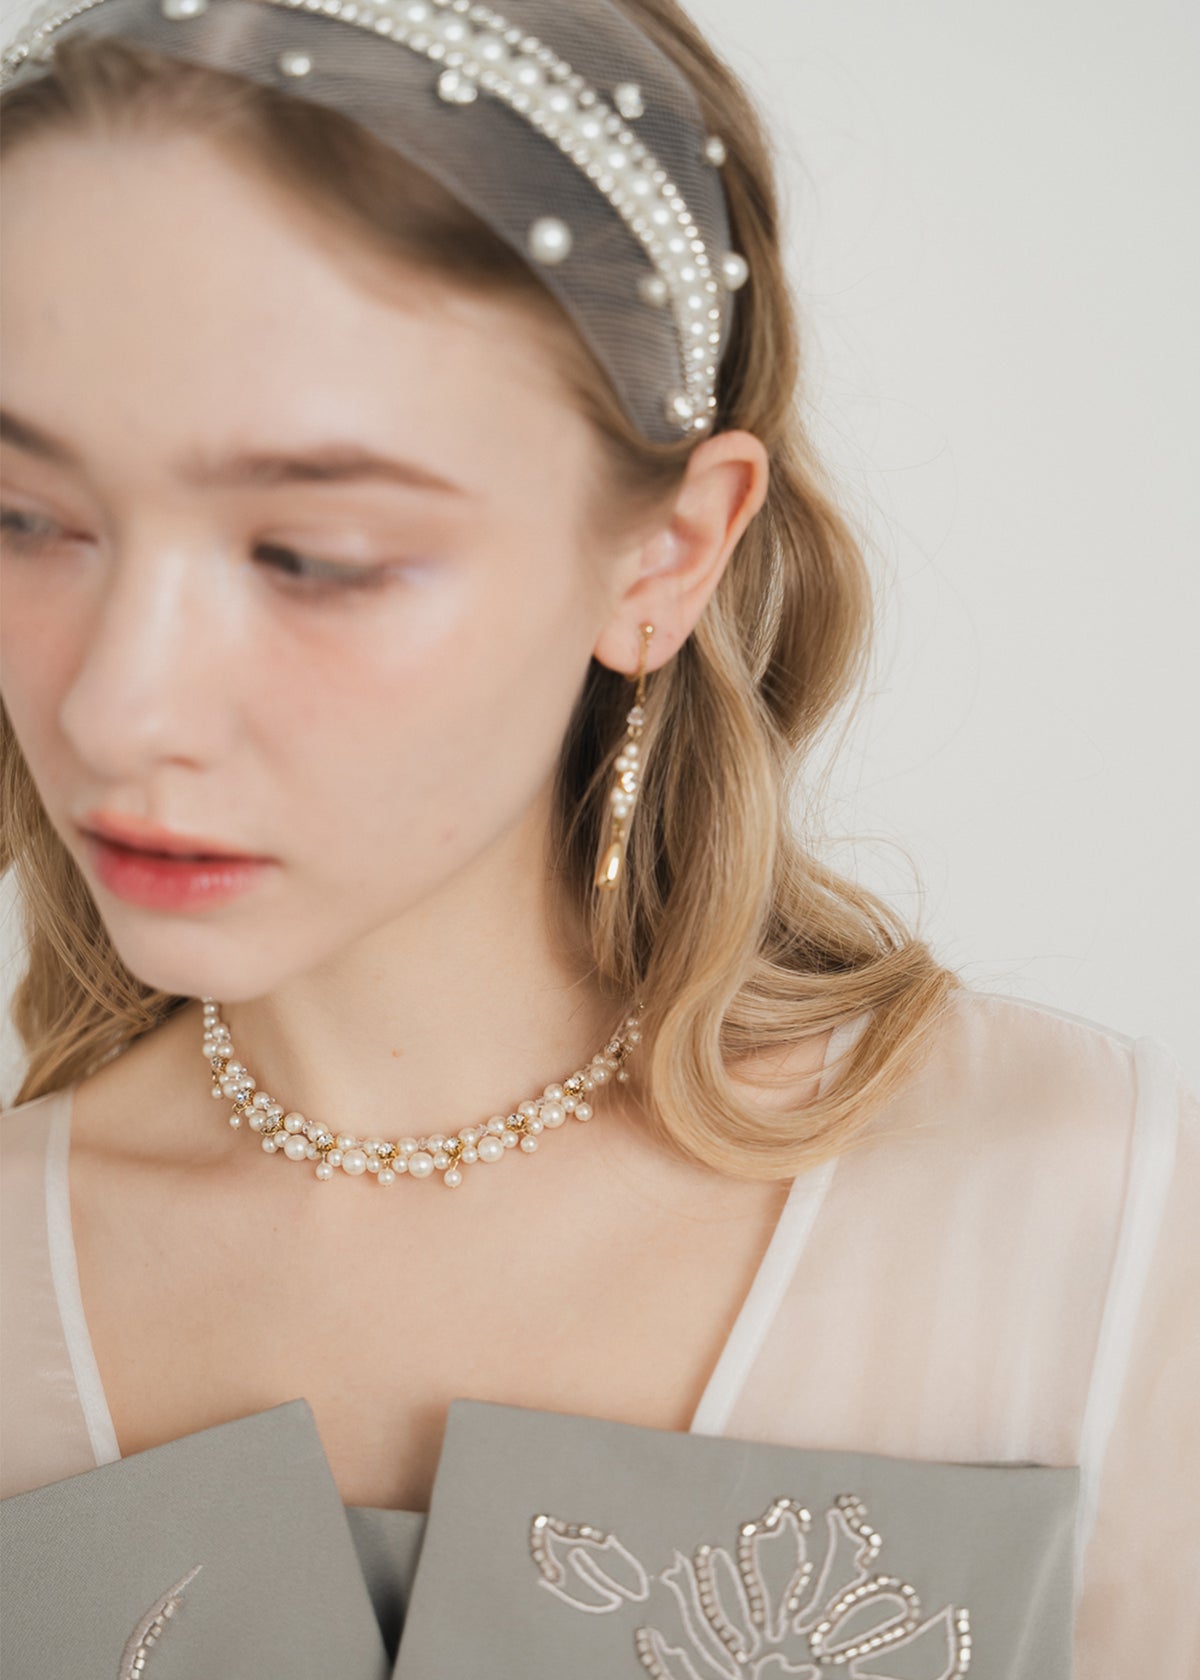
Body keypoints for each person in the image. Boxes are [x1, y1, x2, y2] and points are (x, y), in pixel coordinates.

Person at [0, 1, 1194, 1676]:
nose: (119, 706)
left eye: (314, 553)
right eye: (24, 517)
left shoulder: (1101, 1215)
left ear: (667, 556)